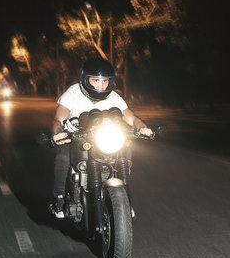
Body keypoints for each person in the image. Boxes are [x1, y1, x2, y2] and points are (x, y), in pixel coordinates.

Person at [50, 57, 153, 218]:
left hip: (103, 137)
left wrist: (142, 127)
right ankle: (59, 198)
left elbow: (131, 117)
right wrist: (58, 133)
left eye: (105, 81)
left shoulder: (114, 97)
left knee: (126, 146)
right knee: (62, 155)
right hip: (76, 137)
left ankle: (124, 200)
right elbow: (59, 118)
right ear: (85, 79)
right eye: (95, 80)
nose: (101, 85)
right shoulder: (73, 93)